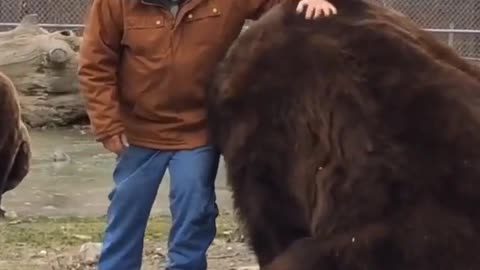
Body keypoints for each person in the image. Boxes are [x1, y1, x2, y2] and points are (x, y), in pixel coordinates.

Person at [78, 0, 337, 269]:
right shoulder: (114, 3)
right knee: (127, 212)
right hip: (137, 131)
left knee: (194, 212)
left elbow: (277, 4)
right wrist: (107, 123)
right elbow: (95, 62)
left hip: (198, 128)